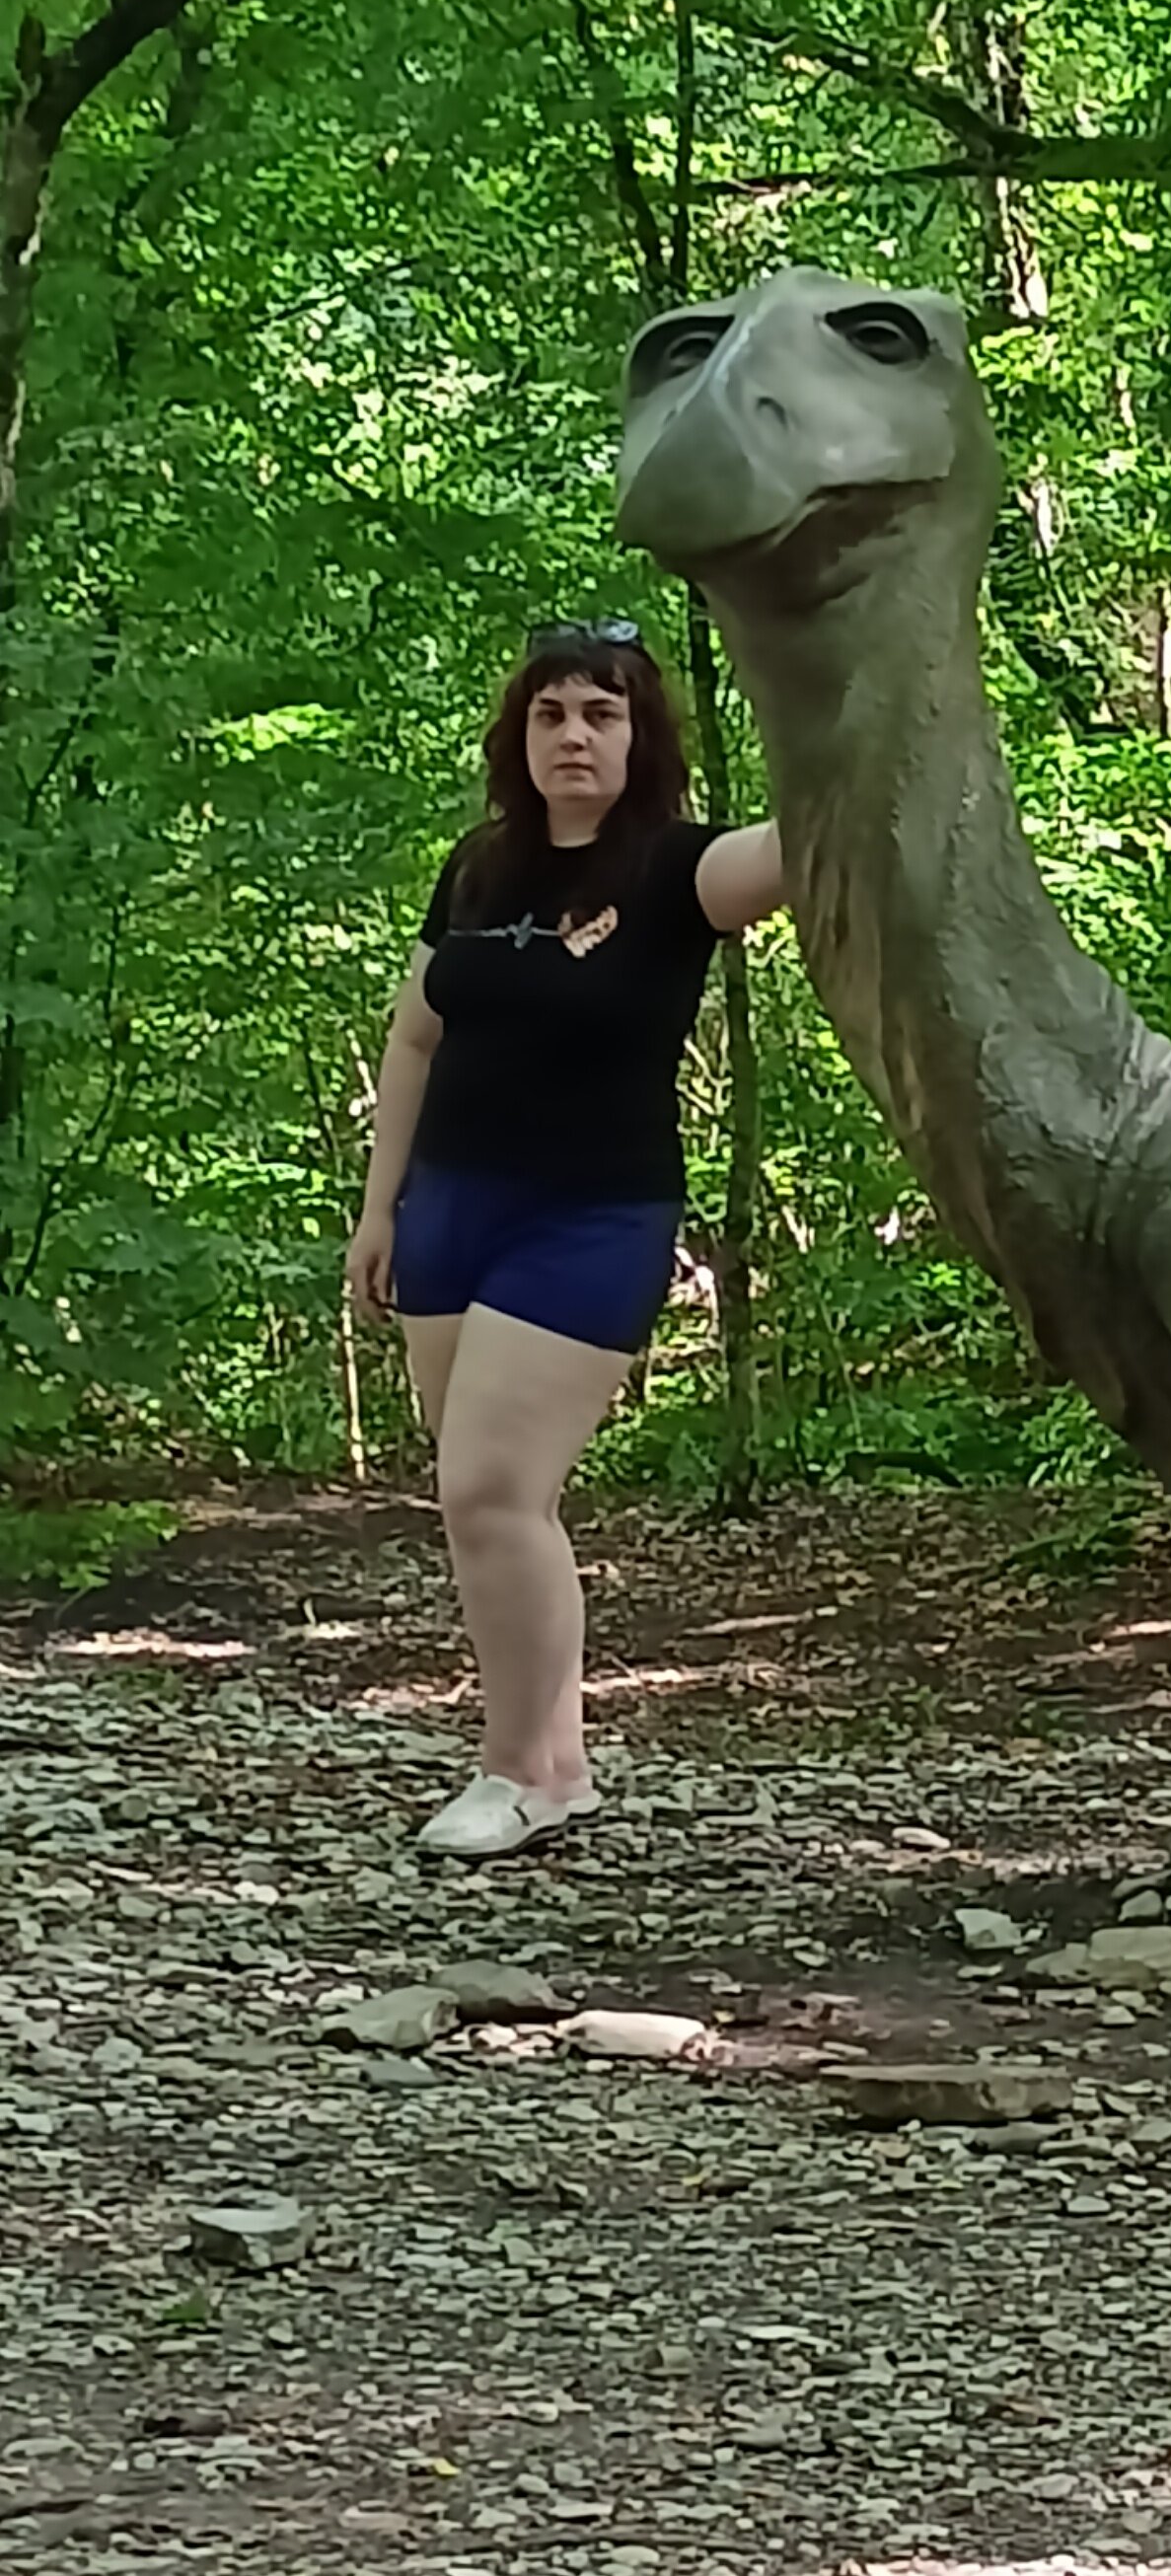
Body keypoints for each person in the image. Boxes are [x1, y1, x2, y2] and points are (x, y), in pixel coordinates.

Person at [347, 621, 784, 1859]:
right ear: (520, 737)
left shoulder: (683, 868)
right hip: (449, 1211)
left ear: (641, 737)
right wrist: (380, 1207)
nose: (574, 736)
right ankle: (558, 1763)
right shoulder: (479, 867)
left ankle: (518, 1772)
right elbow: (416, 1034)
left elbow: (819, 835)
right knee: (487, 1505)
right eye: (551, 714)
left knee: (490, 1487)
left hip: (592, 1215)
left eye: (602, 713)